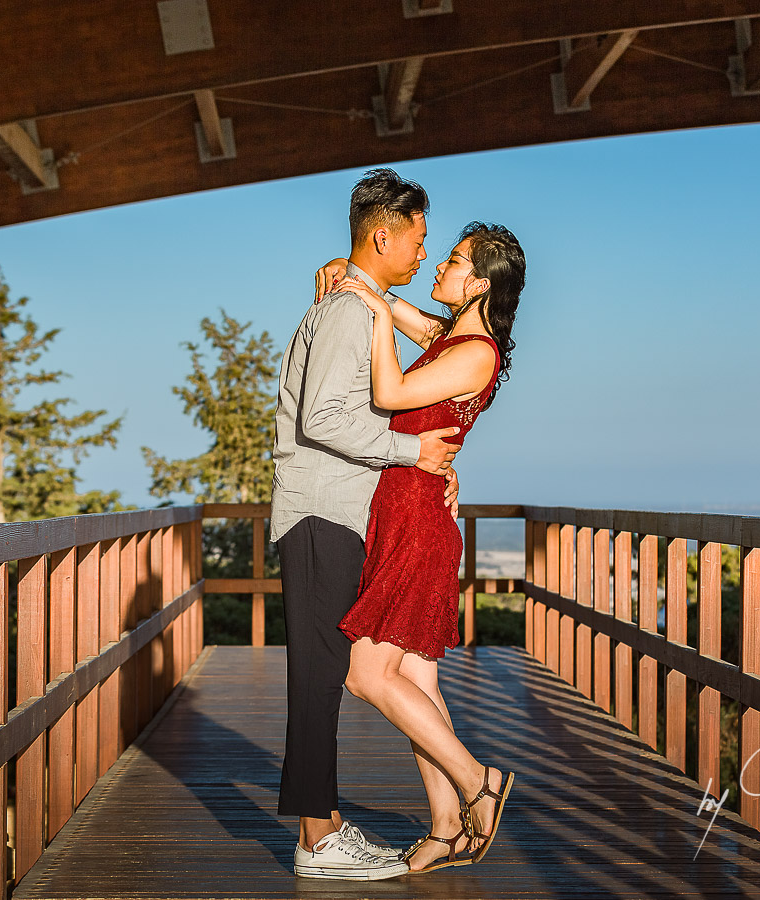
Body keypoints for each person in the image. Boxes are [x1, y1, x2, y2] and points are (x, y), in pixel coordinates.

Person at [270, 168, 463, 881]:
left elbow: (452, 340)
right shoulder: (348, 311)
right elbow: (323, 420)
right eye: (417, 239)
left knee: (325, 675)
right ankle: (318, 840)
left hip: (336, 511)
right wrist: (414, 451)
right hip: (323, 510)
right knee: (319, 678)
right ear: (384, 235)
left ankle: (324, 828)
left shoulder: (359, 301)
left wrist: (380, 295)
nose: (422, 253)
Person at [319, 220, 524, 874]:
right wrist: (351, 276)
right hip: (406, 514)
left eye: (454, 261)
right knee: (414, 681)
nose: (438, 267)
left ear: (480, 283)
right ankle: (445, 827)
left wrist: (374, 307)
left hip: (417, 526)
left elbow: (390, 393)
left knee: (366, 674)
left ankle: (477, 783)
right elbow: (385, 298)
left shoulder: (476, 352)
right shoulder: (448, 338)